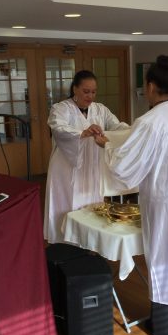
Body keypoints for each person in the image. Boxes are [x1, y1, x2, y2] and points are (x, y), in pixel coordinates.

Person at [95, 55, 168, 335]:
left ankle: (163, 330)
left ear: (149, 86)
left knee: (165, 257)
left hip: (166, 197)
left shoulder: (149, 120)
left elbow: (127, 166)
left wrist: (106, 146)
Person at [44, 70, 129, 244]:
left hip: (91, 167)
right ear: (75, 89)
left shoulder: (100, 109)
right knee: (67, 204)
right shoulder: (61, 108)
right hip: (67, 167)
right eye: (86, 91)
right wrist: (83, 132)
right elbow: (58, 128)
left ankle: (89, 242)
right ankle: (65, 242)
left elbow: (116, 125)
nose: (90, 95)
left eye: (93, 91)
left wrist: (134, 130)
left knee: (91, 204)